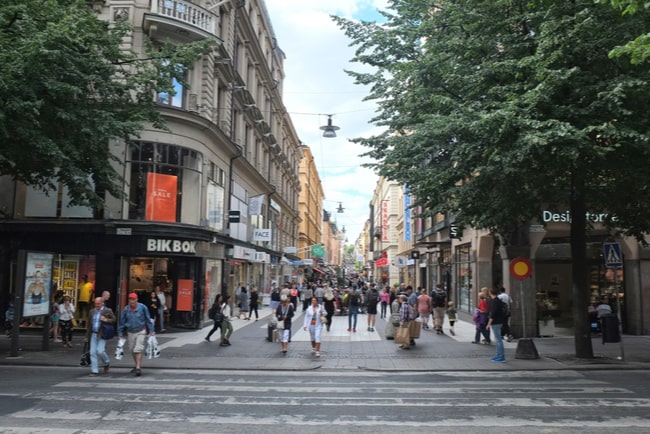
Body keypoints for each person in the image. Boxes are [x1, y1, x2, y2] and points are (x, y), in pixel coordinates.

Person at [118, 292, 154, 377]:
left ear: (137, 299)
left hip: (141, 330)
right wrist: (120, 333)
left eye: (133, 299)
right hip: (130, 331)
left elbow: (148, 319)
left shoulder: (143, 307)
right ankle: (136, 365)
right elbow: (122, 322)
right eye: (130, 299)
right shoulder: (126, 309)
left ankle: (138, 367)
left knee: (138, 348)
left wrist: (151, 331)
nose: (132, 301)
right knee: (132, 350)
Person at [85, 296, 116, 376]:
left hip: (102, 334)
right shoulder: (92, 311)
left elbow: (114, 319)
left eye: (98, 304)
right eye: (95, 304)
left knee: (100, 351)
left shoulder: (107, 310)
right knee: (92, 352)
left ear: (102, 303)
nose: (97, 305)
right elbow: (89, 324)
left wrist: (105, 319)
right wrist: (86, 336)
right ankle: (94, 370)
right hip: (93, 333)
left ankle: (106, 363)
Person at [486, 287, 507, 363]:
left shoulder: (495, 301)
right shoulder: (497, 300)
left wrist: (488, 324)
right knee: (498, 339)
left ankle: (501, 356)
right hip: (499, 321)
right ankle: (498, 355)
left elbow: (493, 314)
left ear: (491, 293)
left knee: (498, 340)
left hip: (496, 322)